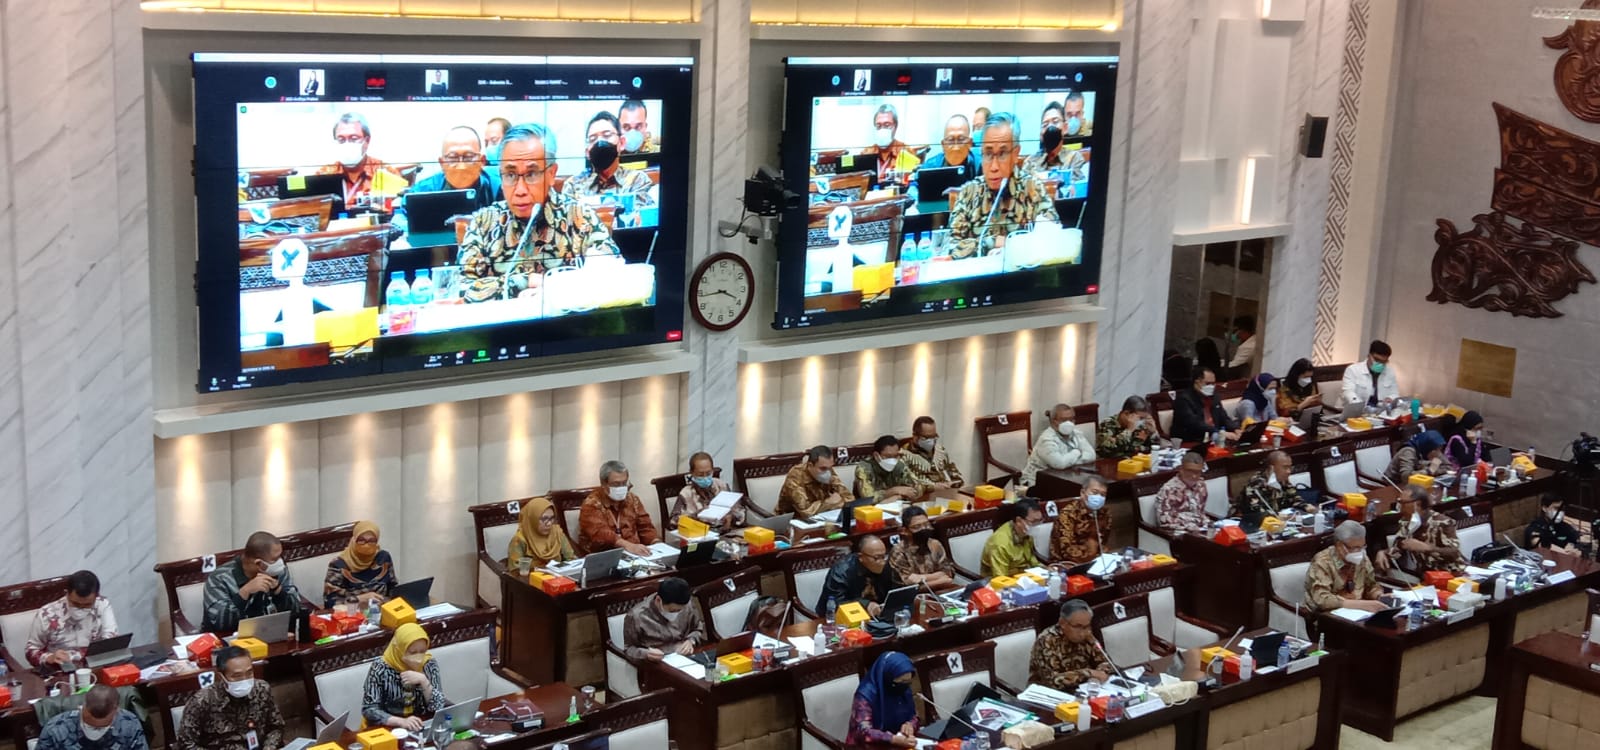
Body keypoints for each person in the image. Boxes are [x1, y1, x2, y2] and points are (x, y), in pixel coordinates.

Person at [456, 122, 620, 303]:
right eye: (510, 175)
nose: (520, 190)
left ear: (551, 174)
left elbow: (612, 276)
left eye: (531, 174)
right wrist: (525, 281)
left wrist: (552, 288)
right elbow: (463, 288)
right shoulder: (484, 222)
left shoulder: (580, 217)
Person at [948, 112, 1060, 259]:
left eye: (1002, 154)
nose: (993, 166)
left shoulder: (1033, 189)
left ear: (1015, 154)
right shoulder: (969, 192)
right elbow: (951, 248)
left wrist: (1010, 249)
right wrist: (994, 242)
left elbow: (1053, 241)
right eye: (988, 154)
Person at [173, 645, 285, 750]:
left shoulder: (262, 689)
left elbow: (276, 727)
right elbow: (186, 743)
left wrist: (268, 748)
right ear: (221, 676)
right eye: (237, 676)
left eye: (249, 673)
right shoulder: (203, 701)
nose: (244, 679)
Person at [201, 531, 301, 635]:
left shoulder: (278, 571)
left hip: (273, 636)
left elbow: (297, 611)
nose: (280, 562)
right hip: (229, 643)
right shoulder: (220, 578)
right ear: (259, 564)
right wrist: (244, 593)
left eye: (280, 557)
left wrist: (279, 592)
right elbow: (220, 623)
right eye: (275, 559)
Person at [24, 570, 118, 669]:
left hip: (95, 667)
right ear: (67, 594)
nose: (80, 609)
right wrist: (49, 658)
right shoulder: (46, 614)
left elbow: (110, 642)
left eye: (87, 605)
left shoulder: (103, 605)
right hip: (59, 671)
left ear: (96, 597)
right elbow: (31, 651)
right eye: (76, 604)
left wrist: (74, 655)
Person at [362, 623, 446, 731]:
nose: (419, 657)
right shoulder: (380, 667)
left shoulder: (429, 664)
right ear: (399, 649)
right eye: (412, 652)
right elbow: (369, 709)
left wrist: (424, 681)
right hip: (388, 727)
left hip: (420, 724)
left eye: (422, 652)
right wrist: (401, 722)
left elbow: (439, 706)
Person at [560, 112, 655, 206]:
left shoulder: (638, 180)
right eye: (593, 139)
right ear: (587, 152)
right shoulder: (573, 185)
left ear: (621, 143)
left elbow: (641, 218)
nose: (600, 142)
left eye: (607, 135)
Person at [315, 112, 405, 206]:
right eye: (341, 139)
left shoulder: (386, 172)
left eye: (354, 138)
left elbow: (397, 211)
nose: (347, 144)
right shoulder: (323, 174)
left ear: (367, 141)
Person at [406, 126, 500, 212]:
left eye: (468, 157)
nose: (461, 166)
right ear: (442, 163)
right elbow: (399, 218)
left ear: (482, 161)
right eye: (453, 157)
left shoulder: (500, 188)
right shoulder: (423, 191)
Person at [1377, 486, 1464, 576]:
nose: (1400, 508)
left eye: (1403, 503)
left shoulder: (1443, 522)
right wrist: (1384, 553)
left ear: (1417, 504)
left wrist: (1427, 548)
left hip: (1450, 574)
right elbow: (1400, 546)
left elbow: (1454, 553)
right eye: (1399, 502)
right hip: (1424, 575)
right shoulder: (1406, 522)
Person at [1028, 599, 1113, 692]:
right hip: (1047, 696)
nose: (1083, 632)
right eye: (1078, 626)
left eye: (1087, 626)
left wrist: (1099, 674)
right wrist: (1089, 673)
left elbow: (1106, 662)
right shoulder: (1047, 641)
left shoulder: (1088, 635)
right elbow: (1053, 681)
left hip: (1082, 690)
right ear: (1062, 623)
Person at [578, 460, 659, 556]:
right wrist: (629, 546)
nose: (621, 488)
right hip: (604, 557)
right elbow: (601, 534)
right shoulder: (591, 504)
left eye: (624, 483)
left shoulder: (632, 499)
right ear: (604, 484)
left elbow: (645, 527)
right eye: (616, 484)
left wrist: (656, 543)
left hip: (635, 554)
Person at [34, 684, 146, 750]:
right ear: (83, 706)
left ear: (116, 710)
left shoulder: (129, 724)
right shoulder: (55, 729)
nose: (95, 731)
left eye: (100, 728)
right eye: (90, 725)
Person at [1304, 522, 1385, 613]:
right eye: (1355, 548)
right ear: (1340, 546)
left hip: (1358, 614)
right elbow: (1322, 599)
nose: (1360, 552)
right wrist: (1361, 605)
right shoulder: (1322, 561)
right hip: (1325, 616)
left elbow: (1371, 585)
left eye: (1363, 547)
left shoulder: (1363, 559)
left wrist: (1379, 596)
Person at [622, 578, 706, 661]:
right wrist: (646, 654)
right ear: (658, 600)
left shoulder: (687, 604)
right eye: (673, 611)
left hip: (685, 656)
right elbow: (629, 649)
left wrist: (691, 641)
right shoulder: (637, 616)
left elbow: (697, 629)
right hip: (656, 661)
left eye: (680, 610)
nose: (676, 613)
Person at [846, 652, 919, 748]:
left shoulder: (903, 689)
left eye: (908, 682)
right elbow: (863, 732)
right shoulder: (865, 695)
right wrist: (892, 739)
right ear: (888, 677)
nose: (905, 686)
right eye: (901, 681)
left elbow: (914, 716)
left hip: (899, 743)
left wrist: (910, 725)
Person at [1019, 403, 1097, 488]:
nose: (1069, 423)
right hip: (1037, 482)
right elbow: (1059, 464)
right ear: (1053, 421)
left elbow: (1091, 455)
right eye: (1064, 420)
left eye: (1071, 420)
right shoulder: (1046, 439)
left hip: (1066, 478)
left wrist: (1068, 462)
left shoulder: (1076, 433)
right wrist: (1077, 452)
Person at [816, 536, 899, 617]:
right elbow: (835, 603)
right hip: (837, 618)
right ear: (861, 557)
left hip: (875, 616)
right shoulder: (841, 572)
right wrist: (865, 604)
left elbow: (893, 591)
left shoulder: (885, 566)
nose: (882, 562)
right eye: (876, 558)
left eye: (883, 556)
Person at [323, 521, 398, 608]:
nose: (366, 545)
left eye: (371, 541)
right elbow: (329, 603)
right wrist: (358, 599)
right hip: (352, 614)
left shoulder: (383, 558)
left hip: (381, 612)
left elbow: (393, 588)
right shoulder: (339, 564)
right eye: (361, 540)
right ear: (354, 540)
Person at [908, 115, 978, 203]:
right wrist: (913, 200)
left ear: (970, 143)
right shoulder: (931, 167)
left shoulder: (980, 165)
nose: (956, 147)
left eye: (961, 139)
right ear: (943, 144)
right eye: (950, 140)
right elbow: (914, 186)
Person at [670, 451, 745, 533]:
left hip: (724, 533)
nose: (705, 477)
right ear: (692, 473)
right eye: (700, 474)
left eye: (708, 473)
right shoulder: (686, 493)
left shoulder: (721, 486)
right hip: (698, 534)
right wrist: (696, 516)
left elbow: (739, 511)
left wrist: (731, 517)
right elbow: (673, 521)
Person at [887, 507, 955, 588]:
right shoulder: (899, 551)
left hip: (941, 591)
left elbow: (948, 572)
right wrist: (941, 580)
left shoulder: (934, 544)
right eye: (917, 527)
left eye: (926, 524)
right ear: (904, 531)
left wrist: (922, 578)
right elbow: (907, 584)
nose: (924, 529)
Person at [777, 446, 851, 520]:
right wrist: (829, 502)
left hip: (822, 517)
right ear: (810, 465)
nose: (828, 472)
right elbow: (806, 511)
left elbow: (849, 498)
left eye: (830, 467)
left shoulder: (828, 470)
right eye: (823, 468)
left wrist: (834, 503)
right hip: (791, 521)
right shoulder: (796, 475)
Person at [1050, 476, 1111, 564]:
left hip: (1097, 561)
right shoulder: (1068, 514)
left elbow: (1103, 541)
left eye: (1103, 494)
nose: (1099, 497)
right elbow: (1067, 551)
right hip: (1068, 563)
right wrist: (1091, 554)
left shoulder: (1104, 513)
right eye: (1095, 492)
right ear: (1083, 492)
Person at [855, 434, 933, 503]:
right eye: (888, 456)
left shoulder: (899, 464)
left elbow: (918, 486)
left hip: (896, 506)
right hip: (867, 511)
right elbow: (868, 498)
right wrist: (894, 491)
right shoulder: (864, 468)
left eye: (895, 456)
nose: (892, 460)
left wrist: (898, 497)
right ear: (876, 455)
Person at [506, 496, 577, 571]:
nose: (549, 523)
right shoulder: (520, 539)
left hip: (559, 579)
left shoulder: (557, 533)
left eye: (552, 518)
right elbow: (515, 572)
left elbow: (571, 559)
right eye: (544, 519)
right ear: (532, 519)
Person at [1171, 366, 1239, 443]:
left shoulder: (1214, 397)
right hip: (1193, 440)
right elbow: (1195, 424)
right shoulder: (1184, 399)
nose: (1212, 387)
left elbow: (1224, 417)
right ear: (1197, 382)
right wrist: (1220, 433)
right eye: (1208, 383)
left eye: (1213, 384)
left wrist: (1235, 429)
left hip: (1214, 438)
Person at [1023, 100, 1089, 178]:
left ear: (1065, 128)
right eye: (1045, 125)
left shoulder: (1075, 159)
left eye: (1055, 122)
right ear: (1041, 134)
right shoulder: (1031, 161)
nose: (1050, 127)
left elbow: (1076, 188)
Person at [860, 103, 921, 186]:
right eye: (878, 126)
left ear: (895, 127)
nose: (882, 129)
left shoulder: (906, 152)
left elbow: (912, 183)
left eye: (887, 125)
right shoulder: (866, 153)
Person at [1231, 451, 1299, 524]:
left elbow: (1294, 497)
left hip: (1277, 522)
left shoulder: (1282, 480)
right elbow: (1258, 512)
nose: (1289, 471)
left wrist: (1306, 507)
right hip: (1248, 523)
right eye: (1285, 467)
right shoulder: (1255, 484)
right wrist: (1278, 516)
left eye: (1290, 467)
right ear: (1271, 468)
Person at [981, 500, 1044, 576]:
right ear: (1019, 521)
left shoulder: (1026, 532)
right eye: (1034, 522)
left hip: (1024, 577)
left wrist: (1045, 570)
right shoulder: (1000, 543)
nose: (1037, 526)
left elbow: (1031, 560)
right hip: (999, 582)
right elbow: (1000, 578)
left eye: (1040, 521)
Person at [902, 416, 964, 489]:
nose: (932, 441)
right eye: (927, 437)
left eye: (934, 436)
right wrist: (933, 487)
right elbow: (908, 483)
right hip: (924, 496)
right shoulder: (904, 455)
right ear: (915, 436)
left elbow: (954, 472)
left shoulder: (940, 451)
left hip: (947, 492)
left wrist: (955, 483)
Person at [1156, 452, 1210, 533]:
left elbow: (1200, 512)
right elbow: (1163, 521)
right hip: (1178, 534)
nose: (1194, 476)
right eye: (1190, 471)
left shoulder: (1201, 485)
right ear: (1181, 469)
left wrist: (1208, 524)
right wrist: (1190, 526)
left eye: (1197, 472)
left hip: (1199, 530)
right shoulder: (1169, 489)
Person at [1340, 340, 1399, 408]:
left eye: (1384, 362)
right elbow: (1348, 393)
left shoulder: (1389, 371)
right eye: (1377, 360)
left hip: (1379, 412)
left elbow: (1395, 393)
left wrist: (1390, 398)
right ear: (1369, 356)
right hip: (1355, 410)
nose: (1380, 364)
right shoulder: (1353, 370)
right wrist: (1362, 407)